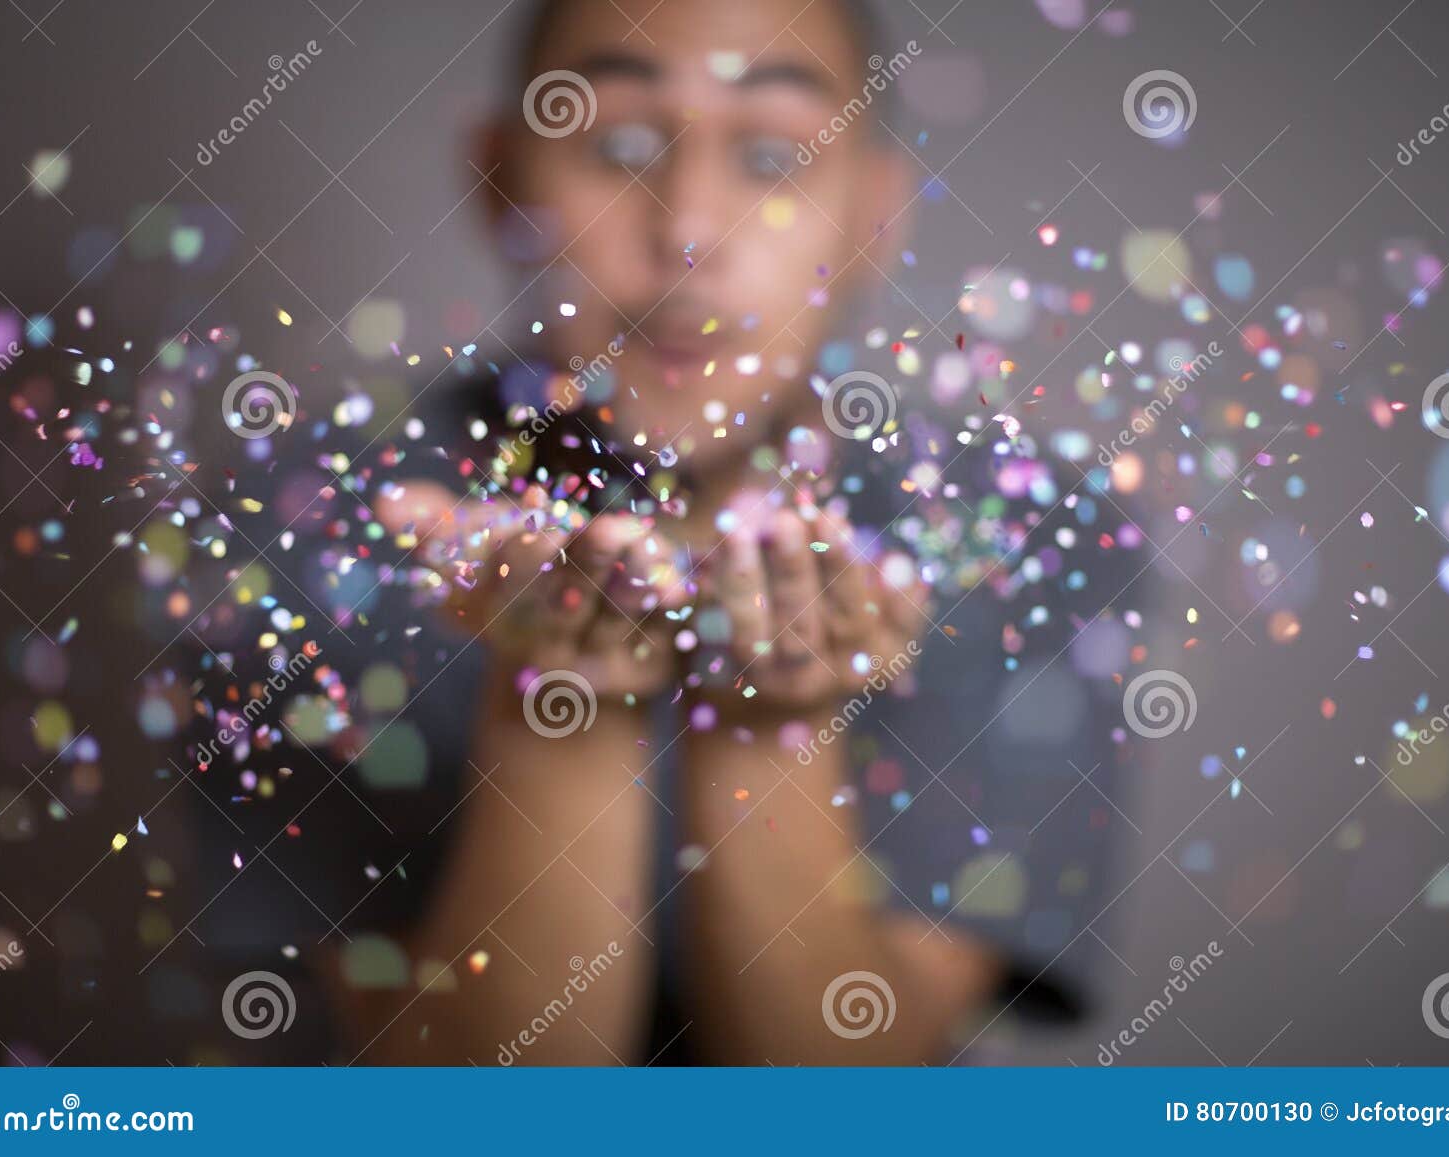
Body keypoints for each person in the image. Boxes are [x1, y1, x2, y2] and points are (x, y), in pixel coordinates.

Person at [326, 0, 1128, 1065]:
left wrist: (770, 719)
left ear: (872, 219)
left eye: (769, 155)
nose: (689, 228)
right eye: (616, 144)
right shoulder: (331, 523)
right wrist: (561, 704)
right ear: (499, 179)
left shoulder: (1017, 532)